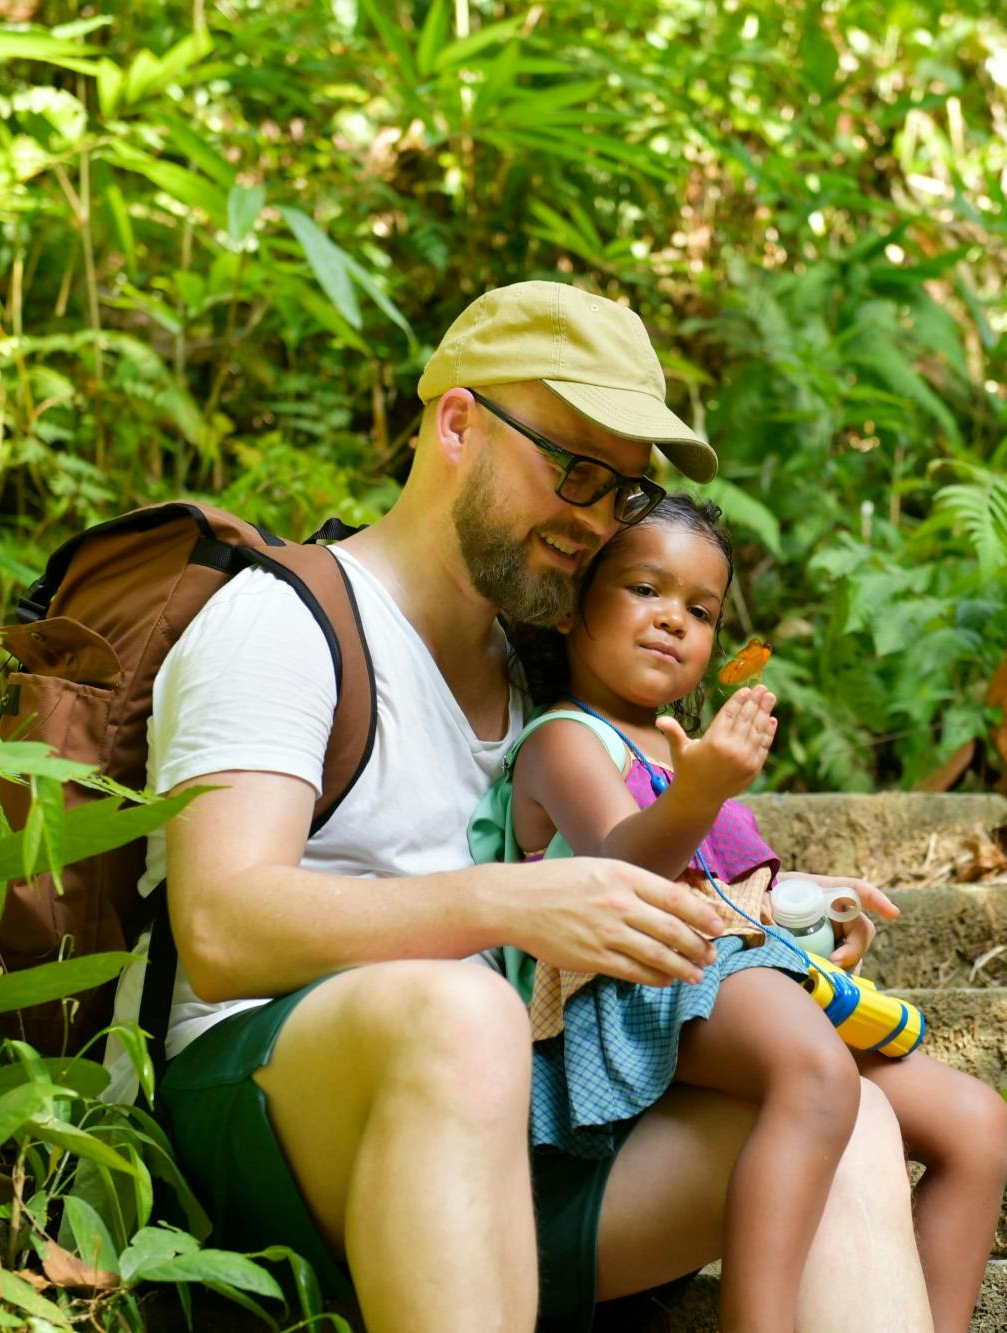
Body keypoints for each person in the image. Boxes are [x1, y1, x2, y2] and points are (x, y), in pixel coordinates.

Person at [123, 281, 937, 1332]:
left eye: (623, 493)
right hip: (268, 1107)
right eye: (574, 469)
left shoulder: (543, 668)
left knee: (844, 1115)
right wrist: (513, 901)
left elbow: (605, 883)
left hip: (511, 1128)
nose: (594, 520)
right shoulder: (284, 623)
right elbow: (225, 928)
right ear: (456, 422)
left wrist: (764, 923)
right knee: (462, 1012)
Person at [486, 495, 1007, 1333]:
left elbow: (725, 886)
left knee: (976, 1123)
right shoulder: (563, 739)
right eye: (643, 589)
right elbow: (623, 868)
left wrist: (811, 895)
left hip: (717, 973)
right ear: (568, 609)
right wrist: (701, 789)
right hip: (636, 986)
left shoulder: (681, 751)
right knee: (815, 1073)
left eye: (700, 610)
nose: (672, 620)